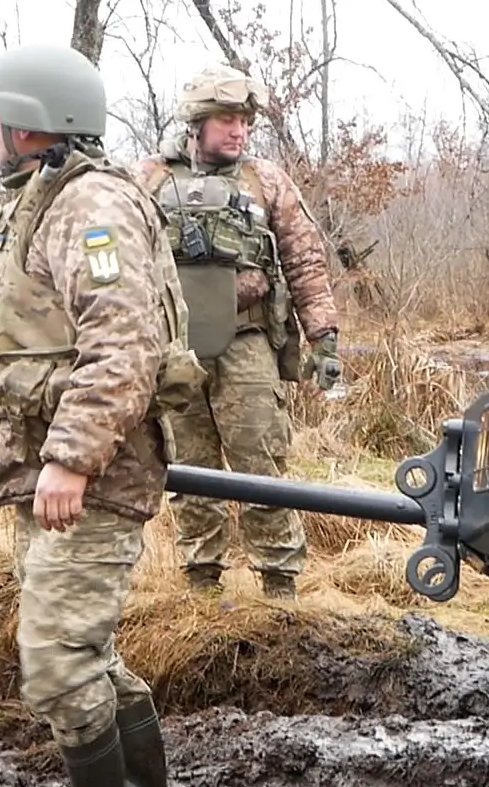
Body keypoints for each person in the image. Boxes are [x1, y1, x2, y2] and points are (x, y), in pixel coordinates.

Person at [0, 41, 203, 787]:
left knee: (54, 665)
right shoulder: (30, 208)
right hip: (42, 470)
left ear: (29, 124)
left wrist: (70, 456)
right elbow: (4, 345)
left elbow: (121, 350)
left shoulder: (93, 210)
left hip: (94, 476)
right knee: (86, 654)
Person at [130, 64, 342, 602]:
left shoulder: (265, 179)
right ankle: (201, 583)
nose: (239, 131)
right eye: (226, 120)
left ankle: (279, 586)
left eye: (245, 121)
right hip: (174, 345)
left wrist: (324, 338)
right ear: (197, 123)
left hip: (248, 341)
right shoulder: (149, 178)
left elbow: (304, 259)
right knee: (189, 467)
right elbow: (121, 260)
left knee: (260, 459)